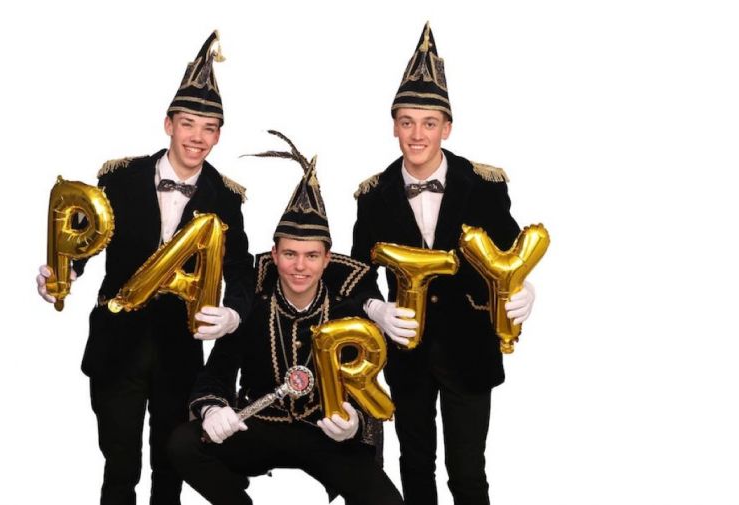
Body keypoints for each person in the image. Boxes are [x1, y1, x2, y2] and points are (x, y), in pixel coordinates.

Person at [36, 31, 254, 505]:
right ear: (168, 124)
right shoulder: (120, 179)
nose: (197, 137)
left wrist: (233, 314)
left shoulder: (226, 199)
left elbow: (241, 270)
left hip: (180, 351)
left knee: (170, 465)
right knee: (120, 465)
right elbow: (87, 240)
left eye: (209, 128)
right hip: (117, 345)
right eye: (188, 124)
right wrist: (63, 272)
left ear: (218, 135)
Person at [351, 23, 537, 505]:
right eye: (407, 122)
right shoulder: (372, 197)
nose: (417, 135)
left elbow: (513, 252)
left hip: (470, 348)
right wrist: (376, 309)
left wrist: (525, 291)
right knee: (415, 467)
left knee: (468, 472)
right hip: (407, 355)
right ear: (394, 126)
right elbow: (354, 274)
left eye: (429, 123)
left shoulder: (484, 186)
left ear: (446, 128)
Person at [167, 132, 404, 505]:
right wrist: (213, 409)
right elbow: (214, 376)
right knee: (183, 444)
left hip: (326, 431)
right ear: (274, 255)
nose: (299, 266)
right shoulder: (252, 307)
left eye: (311, 256)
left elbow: (367, 386)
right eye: (290, 254)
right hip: (261, 424)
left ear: (327, 260)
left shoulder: (347, 311)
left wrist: (355, 424)